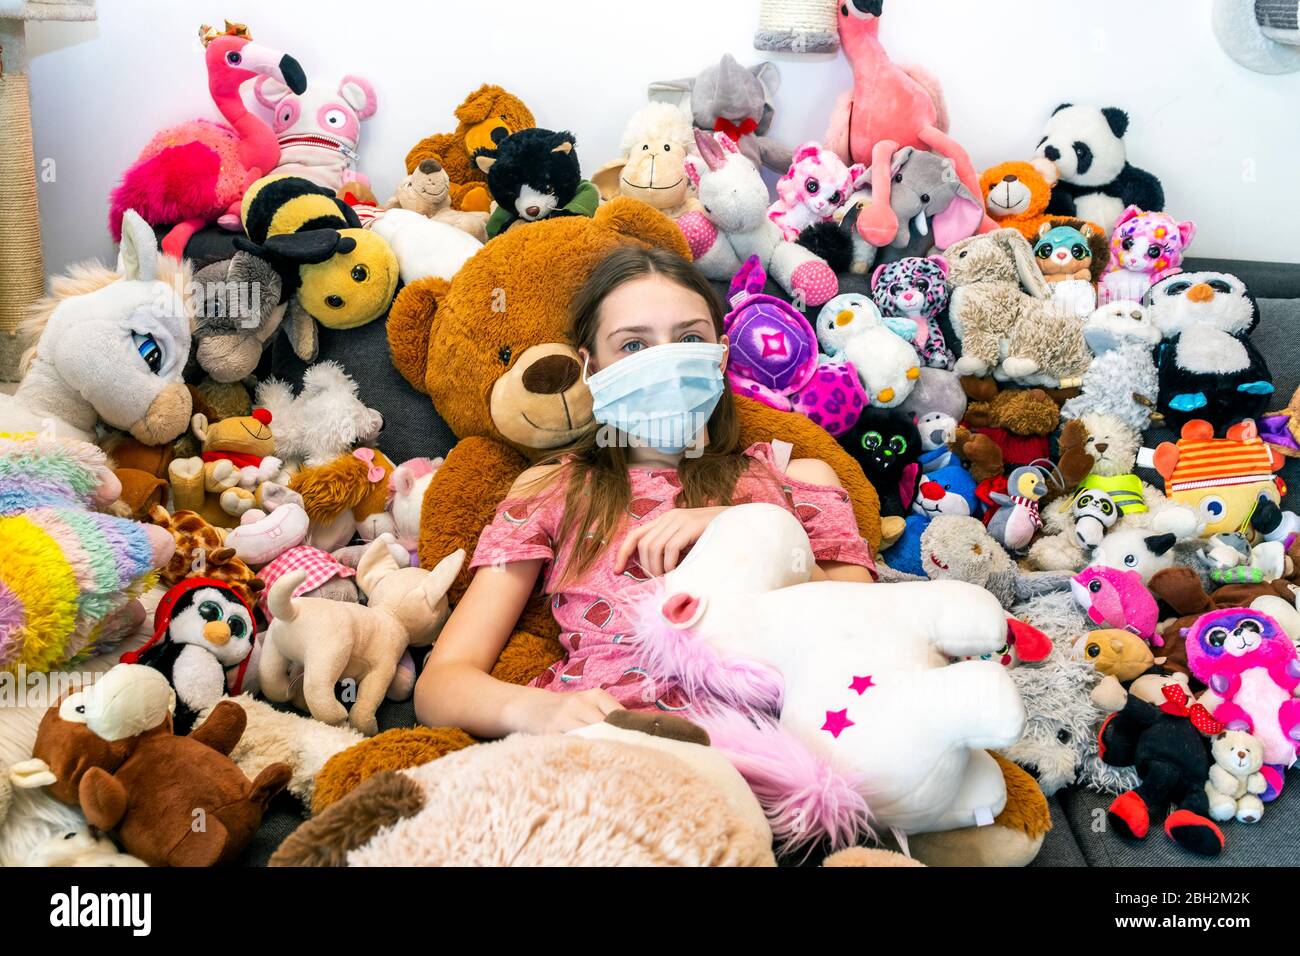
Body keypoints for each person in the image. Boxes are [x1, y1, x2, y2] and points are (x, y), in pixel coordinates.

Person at [414, 244, 875, 737]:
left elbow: (871, 633)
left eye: (688, 338)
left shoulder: (797, 479)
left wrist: (747, 530)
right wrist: (534, 710)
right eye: (633, 345)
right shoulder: (553, 487)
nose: (667, 364)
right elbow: (441, 685)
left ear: (720, 357)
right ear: (592, 367)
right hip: (604, 746)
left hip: (761, 745)